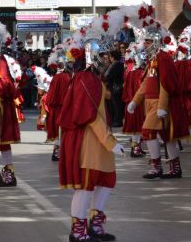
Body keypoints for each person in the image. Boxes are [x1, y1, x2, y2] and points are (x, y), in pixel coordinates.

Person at [59, 33, 125, 242]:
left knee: (106, 181)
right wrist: (111, 142)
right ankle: (78, 230)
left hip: (100, 140)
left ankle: (95, 224)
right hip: (88, 140)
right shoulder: (86, 78)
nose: (106, 59)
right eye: (102, 54)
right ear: (92, 55)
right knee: (85, 187)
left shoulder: (95, 78)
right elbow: (89, 116)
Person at [127, 30, 187, 179]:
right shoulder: (153, 58)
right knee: (166, 136)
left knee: (148, 132)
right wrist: (135, 101)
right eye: (144, 41)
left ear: (156, 42)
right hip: (150, 102)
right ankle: (175, 167)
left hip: (159, 102)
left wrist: (162, 106)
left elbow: (166, 84)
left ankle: (156, 167)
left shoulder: (163, 58)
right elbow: (147, 82)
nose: (144, 44)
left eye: (148, 41)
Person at [0, 22, 20, 187]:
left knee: (4, 142)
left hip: (1, 108)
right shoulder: (2, 60)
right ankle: (7, 173)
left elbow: (5, 84)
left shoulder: (1, 61)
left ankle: (8, 174)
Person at [45, 53, 73, 161]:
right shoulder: (66, 77)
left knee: (58, 130)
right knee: (63, 130)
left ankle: (57, 151)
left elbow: (51, 95)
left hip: (56, 108)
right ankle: (58, 152)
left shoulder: (56, 77)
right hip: (63, 107)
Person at [121, 42, 146, 158]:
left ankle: (137, 147)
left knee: (137, 127)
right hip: (138, 103)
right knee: (138, 126)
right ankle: (135, 148)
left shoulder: (129, 72)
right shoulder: (140, 73)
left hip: (130, 102)